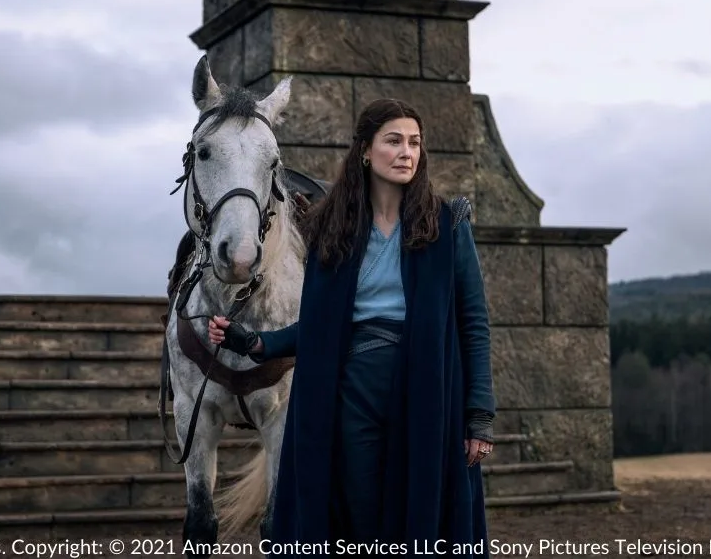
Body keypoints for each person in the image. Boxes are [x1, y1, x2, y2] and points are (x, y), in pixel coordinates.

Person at [208, 98, 496, 556]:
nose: (407, 152)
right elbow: (320, 325)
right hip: (350, 391)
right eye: (394, 141)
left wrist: (479, 414)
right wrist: (259, 343)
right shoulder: (332, 228)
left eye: (415, 143)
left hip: (428, 391)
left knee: (418, 517)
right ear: (365, 150)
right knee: (358, 515)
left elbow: (474, 323)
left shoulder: (447, 223)